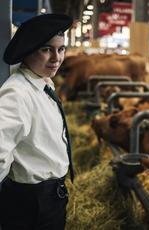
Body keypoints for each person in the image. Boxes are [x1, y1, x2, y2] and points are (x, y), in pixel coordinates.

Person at [0, 14, 74, 230]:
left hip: (49, 198)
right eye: (46, 49)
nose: (56, 58)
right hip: (32, 203)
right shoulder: (17, 93)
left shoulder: (43, 83)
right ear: (27, 51)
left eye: (61, 49)